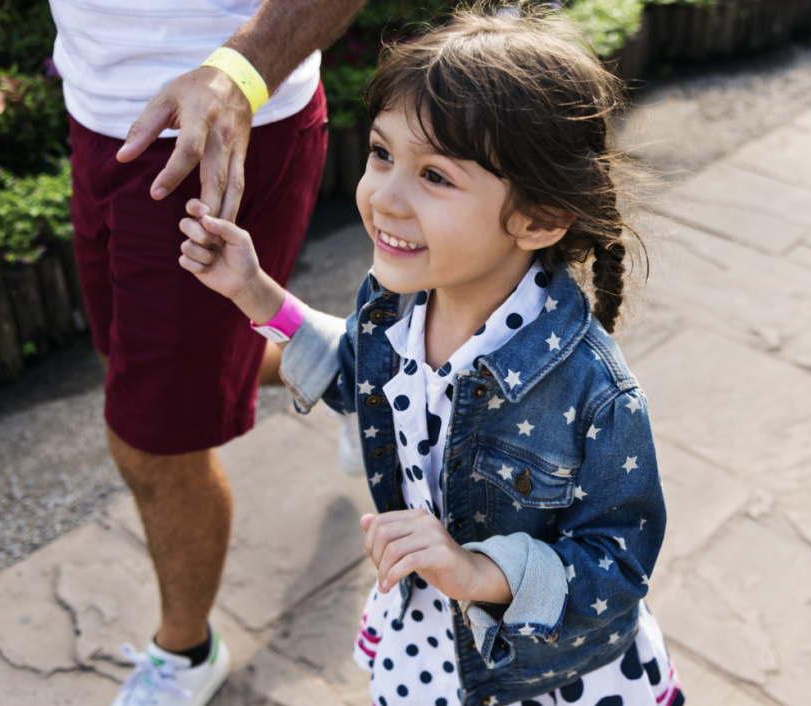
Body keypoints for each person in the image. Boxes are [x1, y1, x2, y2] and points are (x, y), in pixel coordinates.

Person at [178, 5, 685, 705]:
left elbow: (616, 564)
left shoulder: (591, 390)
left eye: (435, 177)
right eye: (382, 154)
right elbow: (360, 377)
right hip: (427, 638)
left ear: (537, 219)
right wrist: (258, 293)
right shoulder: (395, 304)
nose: (384, 196)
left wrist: (478, 573)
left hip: (539, 671)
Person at [47, 0, 363, 703]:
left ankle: (187, 652)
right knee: (138, 375)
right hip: (100, 114)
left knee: (151, 439)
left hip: (215, 131)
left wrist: (239, 71)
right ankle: (353, 376)